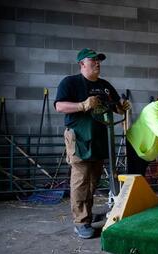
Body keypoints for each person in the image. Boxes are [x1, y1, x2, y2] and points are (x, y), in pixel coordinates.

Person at [54, 48, 130, 239]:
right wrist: (82, 105)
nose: (97, 63)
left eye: (99, 61)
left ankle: (86, 213)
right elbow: (59, 106)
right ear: (82, 64)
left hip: (99, 138)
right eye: (93, 60)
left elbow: (116, 107)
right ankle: (80, 222)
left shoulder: (105, 85)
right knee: (81, 179)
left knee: (93, 179)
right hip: (78, 137)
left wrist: (122, 107)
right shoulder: (70, 82)